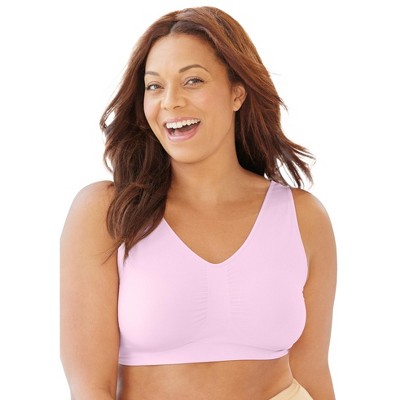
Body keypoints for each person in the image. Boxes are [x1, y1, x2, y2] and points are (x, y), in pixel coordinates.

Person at [60, 6, 337, 400]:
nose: (170, 102)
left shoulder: (302, 216)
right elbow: (90, 387)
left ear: (237, 92)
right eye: (154, 86)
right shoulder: (107, 212)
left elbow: (313, 373)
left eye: (192, 80)